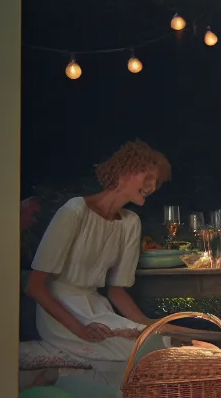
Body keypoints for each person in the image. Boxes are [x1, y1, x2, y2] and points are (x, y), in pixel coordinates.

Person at [24, 140, 199, 383]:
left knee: (159, 341)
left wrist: (145, 324)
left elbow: (116, 291)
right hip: (60, 314)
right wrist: (80, 329)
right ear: (125, 171)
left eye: (157, 182)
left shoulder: (130, 222)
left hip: (97, 309)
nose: (152, 187)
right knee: (145, 351)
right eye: (148, 177)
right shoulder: (74, 211)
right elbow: (34, 287)